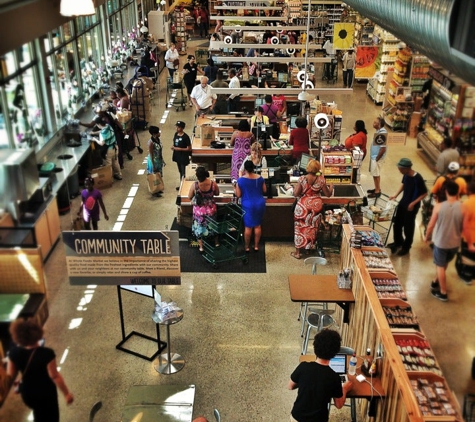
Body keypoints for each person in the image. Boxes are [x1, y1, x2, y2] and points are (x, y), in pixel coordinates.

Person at [7, 318, 74, 422]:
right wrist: (66, 393)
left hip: (28, 394)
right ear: (37, 333)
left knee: (38, 413)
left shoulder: (14, 353)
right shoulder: (46, 354)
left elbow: (10, 375)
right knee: (51, 416)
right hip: (45, 392)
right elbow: (55, 376)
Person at [288, 329, 353, 422]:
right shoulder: (334, 377)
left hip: (297, 417)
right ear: (335, 353)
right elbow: (339, 405)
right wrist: (345, 388)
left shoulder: (303, 367)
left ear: (315, 348)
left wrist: (305, 382)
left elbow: (290, 386)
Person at [424, 181, 464, 301]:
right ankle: (435, 281)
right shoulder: (463, 207)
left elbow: (431, 225)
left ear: (446, 191)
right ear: (458, 192)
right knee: (444, 262)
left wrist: (427, 236)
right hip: (455, 243)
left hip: (441, 242)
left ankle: (443, 292)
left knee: (440, 265)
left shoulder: (439, 206)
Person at [292, 159, 333, 259]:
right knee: (312, 228)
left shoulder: (302, 179)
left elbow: (296, 194)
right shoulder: (321, 179)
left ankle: (297, 253)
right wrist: (331, 187)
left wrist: (295, 188)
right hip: (316, 207)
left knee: (299, 228)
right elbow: (328, 194)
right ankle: (308, 250)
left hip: (303, 207)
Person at [388, 158, 428, 256]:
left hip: (412, 207)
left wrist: (413, 203)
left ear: (407, 168)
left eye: (401, 169)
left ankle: (406, 247)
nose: (399, 171)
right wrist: (395, 195)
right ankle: (398, 242)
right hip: (403, 202)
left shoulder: (417, 178)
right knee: (397, 224)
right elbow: (403, 184)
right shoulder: (406, 175)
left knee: (408, 227)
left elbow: (424, 193)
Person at [234, 160, 267, 252]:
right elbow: (264, 190)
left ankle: (247, 247)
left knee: (248, 227)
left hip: (248, 205)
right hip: (260, 203)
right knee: (257, 225)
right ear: (253, 168)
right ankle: (256, 246)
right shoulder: (260, 178)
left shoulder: (240, 180)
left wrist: (234, 188)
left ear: (244, 169)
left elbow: (239, 195)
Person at [188, 166, 220, 252]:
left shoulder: (195, 185)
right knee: (213, 225)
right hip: (211, 210)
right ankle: (216, 242)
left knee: (199, 227)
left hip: (199, 212)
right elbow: (217, 193)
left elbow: (189, 196)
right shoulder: (213, 184)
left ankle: (201, 247)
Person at [367, 116, 388, 198]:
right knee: (375, 174)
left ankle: (377, 191)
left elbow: (383, 148)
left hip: (377, 158)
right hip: (374, 156)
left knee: (376, 174)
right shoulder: (379, 131)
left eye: (375, 123)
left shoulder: (382, 133)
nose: (373, 123)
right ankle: (376, 188)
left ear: (379, 125)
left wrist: (377, 158)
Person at [171, 120, 191, 186]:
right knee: (180, 171)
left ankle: (184, 185)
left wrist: (179, 149)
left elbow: (189, 148)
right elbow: (175, 143)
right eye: (176, 127)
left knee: (183, 172)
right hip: (177, 156)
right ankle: (181, 184)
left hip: (183, 157)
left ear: (182, 128)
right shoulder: (175, 134)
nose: (177, 128)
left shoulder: (186, 137)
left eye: (178, 127)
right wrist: (173, 147)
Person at [147, 126, 164, 197]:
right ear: (154, 133)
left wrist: (162, 159)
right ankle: (154, 190)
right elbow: (151, 154)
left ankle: (159, 188)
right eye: (158, 132)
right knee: (154, 175)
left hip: (159, 160)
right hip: (153, 161)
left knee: (159, 175)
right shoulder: (151, 142)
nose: (159, 133)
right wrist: (153, 165)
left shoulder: (158, 139)